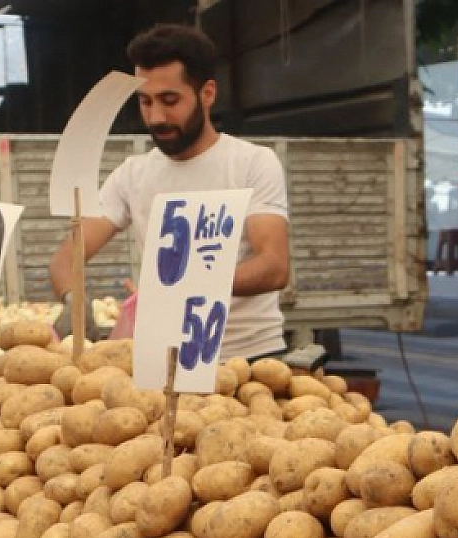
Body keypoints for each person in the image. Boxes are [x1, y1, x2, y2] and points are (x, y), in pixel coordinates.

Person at [48, 24, 290, 361]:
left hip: (250, 360)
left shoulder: (252, 164)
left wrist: (183, 285)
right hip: (168, 365)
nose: (156, 116)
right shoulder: (132, 175)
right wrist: (73, 297)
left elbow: (274, 266)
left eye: (170, 100)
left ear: (207, 93)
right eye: (145, 102)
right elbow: (67, 256)